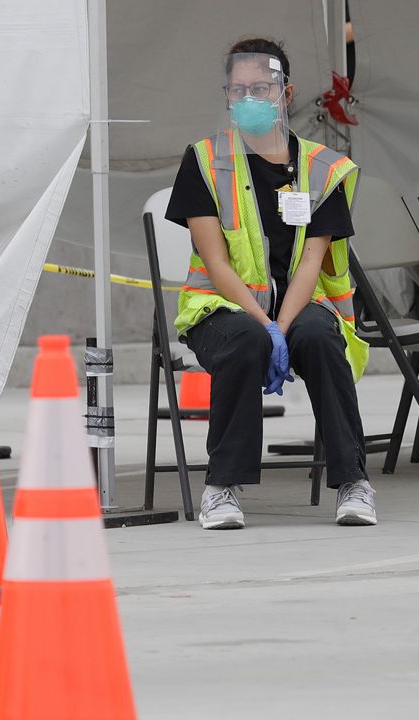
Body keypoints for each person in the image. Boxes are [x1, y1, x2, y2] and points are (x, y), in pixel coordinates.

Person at [166, 38, 375, 529]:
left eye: (261, 87)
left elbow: (311, 264)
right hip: (219, 307)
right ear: (226, 96)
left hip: (299, 305)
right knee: (241, 340)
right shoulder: (204, 159)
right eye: (239, 90)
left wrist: (280, 327)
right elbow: (216, 263)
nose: (250, 100)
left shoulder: (323, 169)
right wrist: (265, 326)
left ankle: (353, 482)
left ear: (286, 92)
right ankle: (221, 488)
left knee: (322, 339)